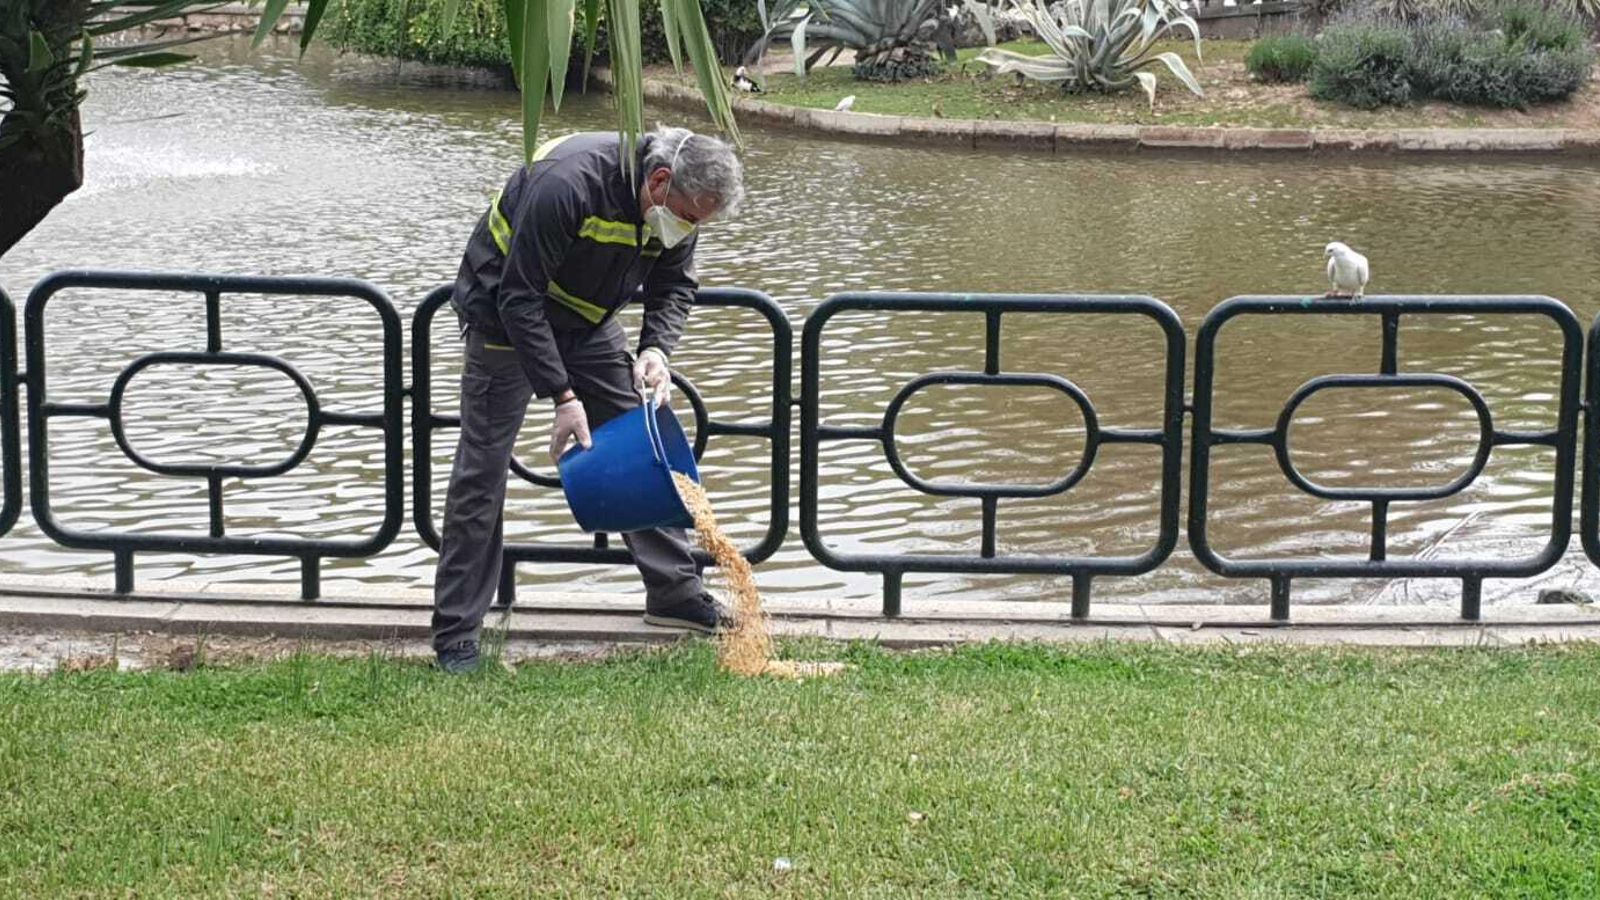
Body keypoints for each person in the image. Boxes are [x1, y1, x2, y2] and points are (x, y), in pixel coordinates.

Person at [431, 125, 744, 674]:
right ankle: (457, 637)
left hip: (585, 321)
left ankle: (674, 594)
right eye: (690, 217)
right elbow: (519, 297)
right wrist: (562, 396)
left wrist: (655, 350)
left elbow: (675, 285)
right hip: (502, 314)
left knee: (638, 445)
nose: (690, 229)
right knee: (482, 473)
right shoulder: (569, 183)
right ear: (660, 180)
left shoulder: (676, 206)